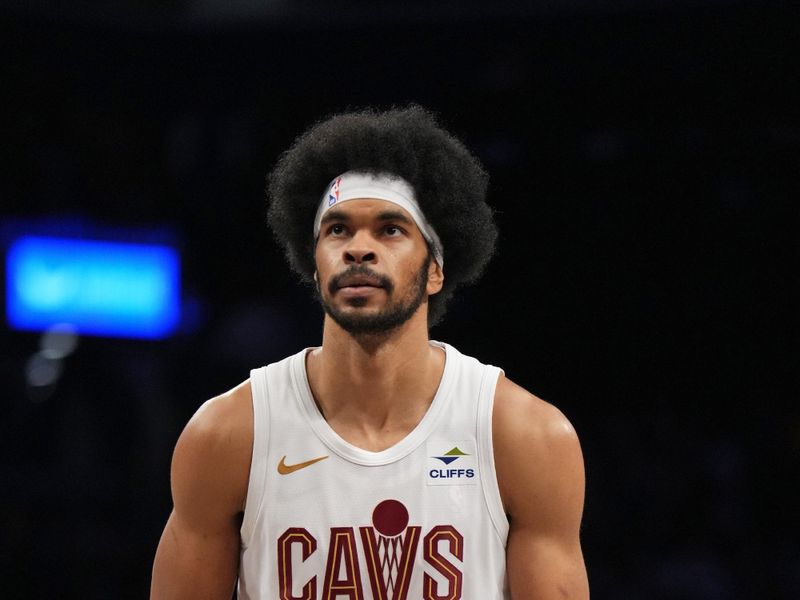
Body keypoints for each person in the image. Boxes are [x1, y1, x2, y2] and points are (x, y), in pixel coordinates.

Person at [150, 106, 589, 599]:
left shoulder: (523, 436)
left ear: (436, 270)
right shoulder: (228, 434)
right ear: (313, 266)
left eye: (390, 229)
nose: (358, 248)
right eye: (337, 229)